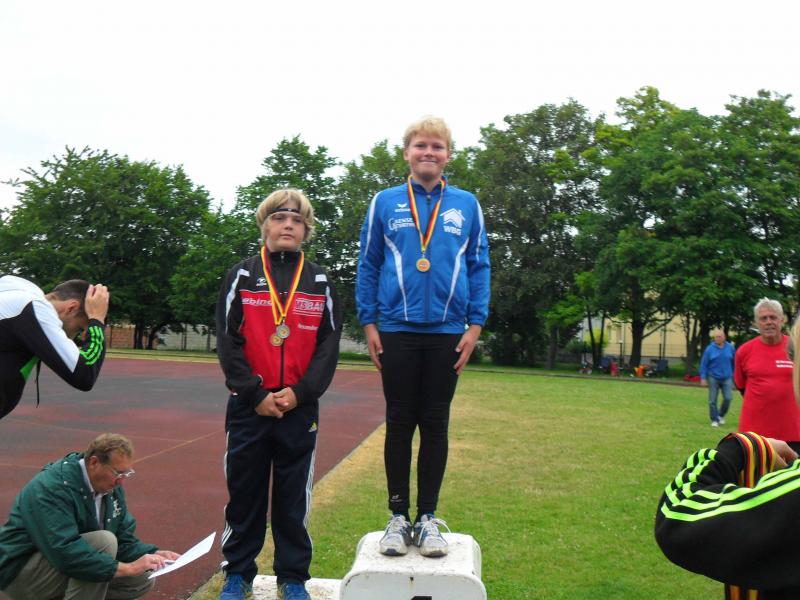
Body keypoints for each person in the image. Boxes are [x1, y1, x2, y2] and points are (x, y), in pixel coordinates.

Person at [356, 116, 490, 558]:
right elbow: (369, 263)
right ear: (407, 153)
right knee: (399, 422)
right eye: (420, 145)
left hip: (449, 331)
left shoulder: (467, 204)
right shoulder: (385, 202)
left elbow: (479, 265)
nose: (428, 152)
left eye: (436, 146)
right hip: (396, 328)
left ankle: (428, 517)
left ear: (448, 155)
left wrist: (475, 325)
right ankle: (398, 517)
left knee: (435, 424)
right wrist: (370, 323)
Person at [215, 189, 341, 600]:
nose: (288, 225)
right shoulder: (241, 276)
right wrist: (255, 394)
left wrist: (302, 392)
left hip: (298, 408)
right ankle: (238, 573)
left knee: (292, 498)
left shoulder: (320, 281)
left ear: (306, 230)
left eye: (297, 220)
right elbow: (227, 341)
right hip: (249, 406)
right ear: (264, 225)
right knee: (244, 494)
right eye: (280, 218)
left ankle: (292, 577)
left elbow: (328, 345)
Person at [654, 317, 800, 599]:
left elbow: (676, 514)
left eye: (795, 357)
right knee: (715, 399)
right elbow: (741, 381)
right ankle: (715, 416)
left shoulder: (791, 498)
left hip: (780, 440)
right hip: (758, 425)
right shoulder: (743, 350)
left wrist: (739, 448)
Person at [0, 433, 179, 600]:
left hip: (59, 565)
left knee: (142, 579)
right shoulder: (51, 488)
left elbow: (123, 540)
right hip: (19, 575)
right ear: (94, 462)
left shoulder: (110, 488)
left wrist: (153, 553)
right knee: (103, 543)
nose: (121, 481)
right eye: (118, 473)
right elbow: (65, 552)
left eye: (127, 474)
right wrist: (128, 568)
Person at [0, 275, 109, 419]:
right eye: (79, 329)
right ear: (71, 308)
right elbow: (85, 373)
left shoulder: (14, 301)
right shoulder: (35, 307)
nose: (75, 338)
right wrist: (97, 319)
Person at [734, 298, 800, 451]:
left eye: (773, 317)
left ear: (782, 320)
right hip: (755, 435)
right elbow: (741, 386)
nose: (769, 322)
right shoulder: (744, 351)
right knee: (755, 468)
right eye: (763, 318)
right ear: (756, 323)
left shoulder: (795, 348)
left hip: (793, 432)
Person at [699, 329, 736, 427]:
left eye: (720, 336)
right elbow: (704, 364)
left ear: (724, 337)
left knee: (728, 398)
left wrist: (734, 376)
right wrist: (703, 377)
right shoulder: (709, 349)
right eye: (716, 337)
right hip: (713, 377)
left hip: (727, 377)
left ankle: (720, 415)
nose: (718, 338)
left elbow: (734, 363)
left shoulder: (730, 348)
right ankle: (714, 419)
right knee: (712, 400)